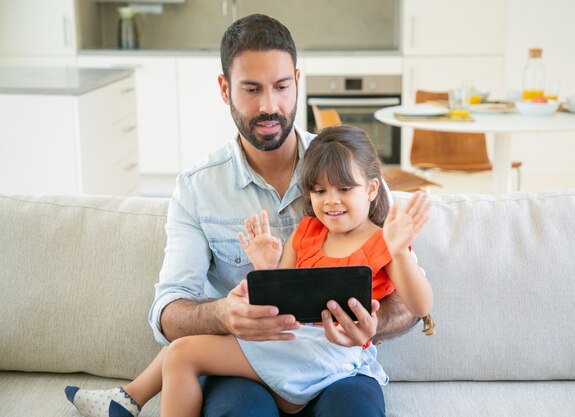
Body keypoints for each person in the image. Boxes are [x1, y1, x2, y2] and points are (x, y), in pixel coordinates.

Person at [65, 13, 427, 417]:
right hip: (252, 366)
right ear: (225, 89)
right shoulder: (196, 189)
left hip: (340, 365)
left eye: (281, 87)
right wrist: (224, 314)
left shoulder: (353, 172)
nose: (269, 105)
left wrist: (373, 326)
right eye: (251, 89)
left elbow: (411, 302)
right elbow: (167, 312)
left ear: (297, 81)